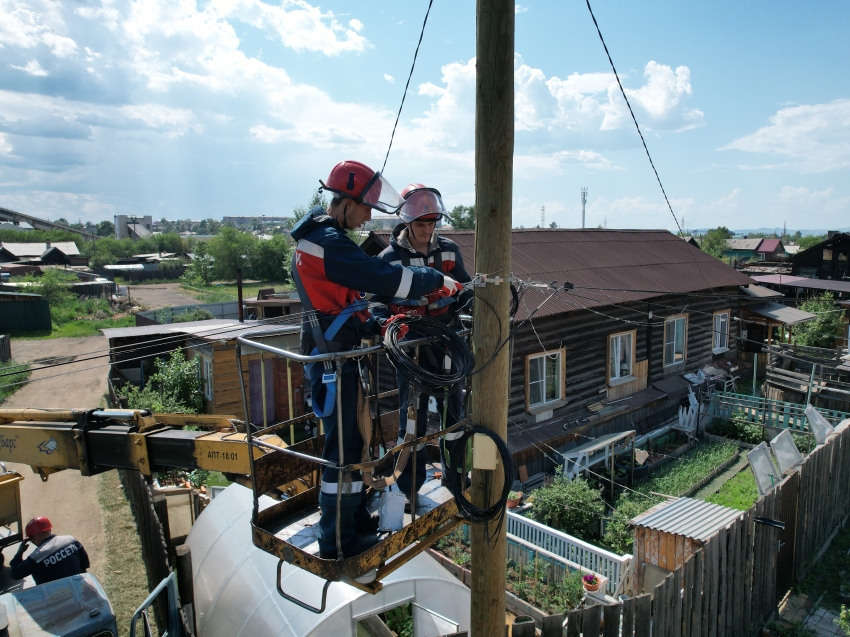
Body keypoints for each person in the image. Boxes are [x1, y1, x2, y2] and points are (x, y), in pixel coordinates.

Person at [290, 161, 462, 560]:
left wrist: (380, 323)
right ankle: (336, 540)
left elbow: (347, 303)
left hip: (339, 354)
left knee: (357, 445)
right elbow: (384, 280)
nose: (368, 216)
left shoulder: (323, 236)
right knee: (345, 449)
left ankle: (356, 523)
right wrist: (436, 280)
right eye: (365, 207)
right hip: (334, 361)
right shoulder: (328, 243)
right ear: (346, 202)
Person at [375, 184, 473, 501]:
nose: (426, 230)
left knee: (453, 413)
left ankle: (455, 479)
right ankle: (410, 490)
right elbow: (377, 302)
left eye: (431, 223)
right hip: (411, 348)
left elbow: (463, 288)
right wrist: (385, 324)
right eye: (420, 223)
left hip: (446, 342)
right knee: (412, 416)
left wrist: (471, 299)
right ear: (406, 222)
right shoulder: (390, 258)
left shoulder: (448, 250)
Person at [10, 516, 90, 585]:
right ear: (49, 530)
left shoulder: (36, 557)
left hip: (56, 596)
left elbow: (16, 574)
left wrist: (20, 552)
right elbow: (85, 564)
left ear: (33, 538)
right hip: (79, 586)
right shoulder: (71, 540)